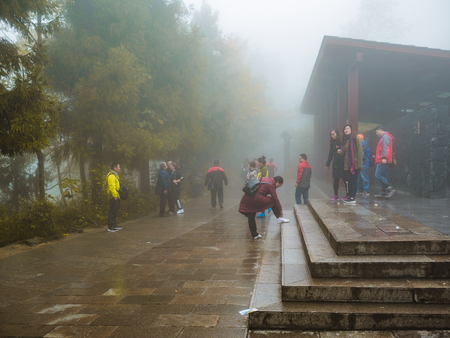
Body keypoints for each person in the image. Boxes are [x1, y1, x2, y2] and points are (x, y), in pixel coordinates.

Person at [337, 124, 363, 204]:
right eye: (345, 129)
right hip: (347, 164)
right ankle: (350, 196)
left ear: (351, 130)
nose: (346, 130)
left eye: (348, 128)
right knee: (349, 181)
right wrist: (340, 152)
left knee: (354, 181)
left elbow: (359, 152)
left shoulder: (356, 138)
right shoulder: (345, 140)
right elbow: (344, 152)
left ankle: (352, 197)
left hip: (354, 164)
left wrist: (358, 165)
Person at [374, 126, 396, 198]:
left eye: (376, 132)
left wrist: (384, 157)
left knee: (378, 174)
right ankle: (383, 192)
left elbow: (386, 147)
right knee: (383, 176)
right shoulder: (386, 136)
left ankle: (390, 188)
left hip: (383, 159)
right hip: (385, 159)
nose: (376, 134)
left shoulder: (385, 136)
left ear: (380, 130)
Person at [326, 129, 347, 201]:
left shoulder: (342, 141)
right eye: (331, 135)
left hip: (342, 163)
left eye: (333, 134)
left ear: (337, 134)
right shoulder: (332, 144)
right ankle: (335, 195)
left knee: (345, 179)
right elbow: (330, 154)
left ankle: (348, 194)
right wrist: (327, 163)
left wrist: (341, 151)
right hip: (335, 163)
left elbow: (346, 150)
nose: (332, 136)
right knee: (335, 179)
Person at [107, 162, 123, 232]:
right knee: (112, 212)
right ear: (115, 168)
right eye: (118, 167)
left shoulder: (115, 175)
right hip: (113, 196)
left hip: (116, 195)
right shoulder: (111, 176)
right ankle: (110, 227)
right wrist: (115, 196)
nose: (119, 168)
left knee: (115, 211)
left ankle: (114, 225)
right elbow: (111, 187)